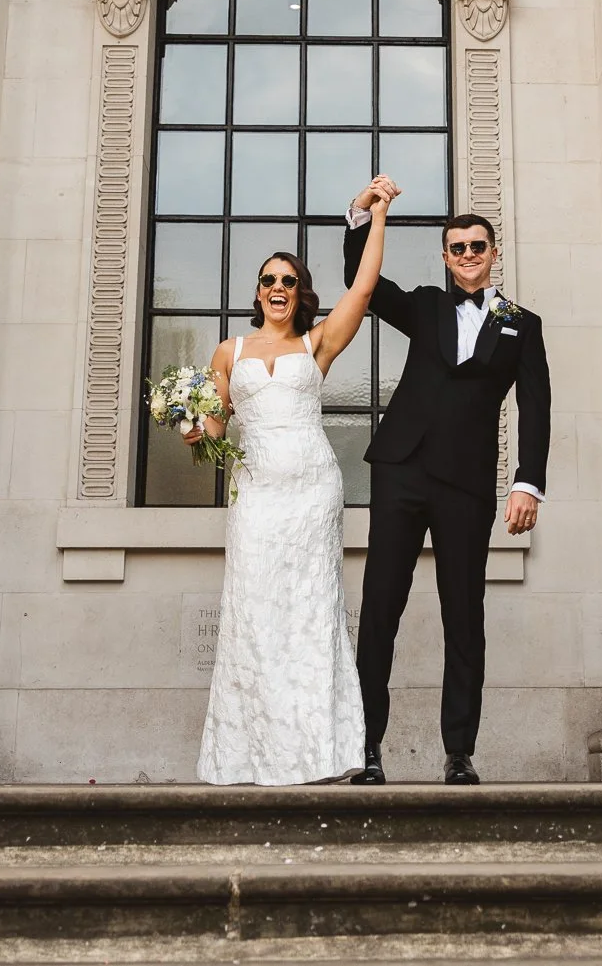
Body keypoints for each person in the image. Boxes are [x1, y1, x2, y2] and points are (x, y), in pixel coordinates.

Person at [342, 175, 551, 786]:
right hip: (401, 469)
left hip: (465, 482)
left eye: (476, 247)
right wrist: (363, 214)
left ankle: (459, 751)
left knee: (465, 614)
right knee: (382, 607)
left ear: (492, 253)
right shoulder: (428, 304)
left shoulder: (521, 323)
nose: (466, 256)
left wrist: (527, 483)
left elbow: (535, 406)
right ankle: (366, 747)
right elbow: (366, 285)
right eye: (456, 247)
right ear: (444, 255)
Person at [187, 195, 392, 785]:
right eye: (268, 280)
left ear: (301, 293)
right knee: (255, 613)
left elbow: (362, 287)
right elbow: (212, 437)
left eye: (289, 280)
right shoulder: (229, 352)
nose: (278, 287)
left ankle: (320, 756)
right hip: (255, 494)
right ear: (257, 294)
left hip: (311, 493)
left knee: (309, 614)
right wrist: (189, 425)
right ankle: (252, 757)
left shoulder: (317, 343)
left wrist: (376, 219)